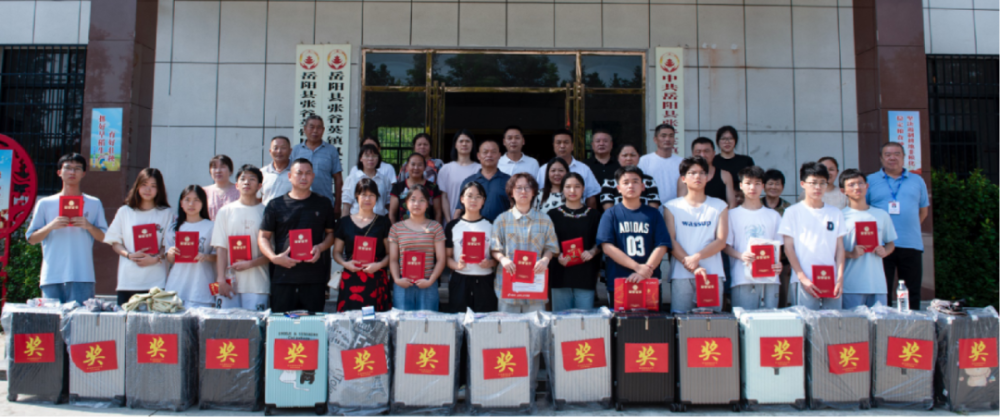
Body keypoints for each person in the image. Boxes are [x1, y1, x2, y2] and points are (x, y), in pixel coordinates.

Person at [26, 153, 108, 304]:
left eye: (77, 168)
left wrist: (88, 226)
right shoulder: (45, 203)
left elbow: (105, 237)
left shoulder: (94, 203)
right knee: (52, 318)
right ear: (59, 172)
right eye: (68, 168)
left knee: (81, 318)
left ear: (83, 173)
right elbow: (31, 238)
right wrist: (51, 226)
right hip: (52, 275)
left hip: (83, 275)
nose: (72, 172)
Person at [258, 158, 336, 313]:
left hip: (314, 277)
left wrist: (320, 247)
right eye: (299, 173)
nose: (303, 177)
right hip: (283, 276)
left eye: (308, 173)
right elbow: (263, 236)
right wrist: (274, 258)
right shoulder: (275, 205)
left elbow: (331, 234)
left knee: (313, 324)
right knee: (282, 324)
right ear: (289, 176)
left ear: (313, 176)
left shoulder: (324, 203)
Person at [866, 142, 930, 310]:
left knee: (912, 290)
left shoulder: (917, 180)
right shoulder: (870, 181)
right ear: (881, 158)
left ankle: (913, 323)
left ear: (904, 157)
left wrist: (908, 228)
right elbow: (863, 211)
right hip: (881, 244)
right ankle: (883, 322)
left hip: (910, 242)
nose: (892, 158)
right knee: (882, 290)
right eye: (887, 154)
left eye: (896, 154)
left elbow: (923, 211)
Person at [597, 166, 670, 305]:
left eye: (635, 181)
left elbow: (662, 245)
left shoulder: (654, 214)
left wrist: (644, 271)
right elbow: (607, 247)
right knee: (620, 319)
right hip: (620, 280)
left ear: (643, 187)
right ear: (618, 188)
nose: (631, 185)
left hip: (649, 279)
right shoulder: (610, 214)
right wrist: (637, 267)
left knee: (651, 319)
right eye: (626, 182)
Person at [779, 162, 847, 310]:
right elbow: (788, 248)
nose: (818, 187)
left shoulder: (835, 213)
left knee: (832, 321)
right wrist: (802, 278)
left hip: (831, 280)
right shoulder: (792, 212)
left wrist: (840, 278)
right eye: (813, 183)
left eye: (822, 183)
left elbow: (840, 248)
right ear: (803, 184)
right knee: (805, 321)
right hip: (804, 280)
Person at [665, 157, 729, 313]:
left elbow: (721, 241)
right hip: (681, 273)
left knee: (711, 321)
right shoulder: (671, 207)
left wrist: (696, 258)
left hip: (711, 274)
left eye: (701, 173)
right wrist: (692, 265)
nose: (697, 177)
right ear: (683, 178)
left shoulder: (719, 205)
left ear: (707, 177)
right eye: (692, 173)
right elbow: (671, 241)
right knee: (681, 320)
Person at [104, 168, 175, 305]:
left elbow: (168, 246)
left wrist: (155, 259)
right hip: (128, 281)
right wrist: (129, 255)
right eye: (144, 184)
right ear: (137, 186)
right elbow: (115, 242)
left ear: (159, 189)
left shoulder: (167, 213)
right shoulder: (125, 211)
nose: (148, 189)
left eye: (153, 186)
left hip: (156, 282)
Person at [490, 173, 559, 313]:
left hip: (535, 286)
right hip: (508, 286)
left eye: (527, 187)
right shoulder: (502, 220)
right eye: (518, 188)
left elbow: (551, 247)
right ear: (511, 193)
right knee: (508, 326)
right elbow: (494, 248)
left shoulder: (545, 220)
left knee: (536, 326)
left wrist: (545, 259)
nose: (523, 191)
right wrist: (503, 259)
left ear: (533, 192)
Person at [211, 164, 271, 311]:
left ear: (259, 186)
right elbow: (221, 248)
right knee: (225, 324)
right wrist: (220, 279)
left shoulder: (267, 212)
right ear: (236, 185)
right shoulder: (225, 211)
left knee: (255, 324)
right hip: (229, 283)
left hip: (257, 284)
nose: (247, 182)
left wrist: (250, 264)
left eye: (252, 179)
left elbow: (272, 252)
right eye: (243, 179)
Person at [724, 166, 783, 310]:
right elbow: (725, 245)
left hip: (770, 278)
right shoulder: (731, 215)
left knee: (772, 320)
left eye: (757, 183)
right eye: (748, 183)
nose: (752, 187)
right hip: (742, 278)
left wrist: (778, 263)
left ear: (763, 186)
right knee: (745, 320)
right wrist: (741, 255)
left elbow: (778, 245)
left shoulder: (774, 215)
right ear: (741, 185)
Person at [333, 178, 393, 312]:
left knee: (377, 321)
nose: (368, 199)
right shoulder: (344, 223)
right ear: (356, 195)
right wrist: (345, 264)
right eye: (364, 194)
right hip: (351, 277)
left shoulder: (384, 222)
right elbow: (336, 252)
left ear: (377, 197)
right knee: (348, 319)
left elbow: (391, 253)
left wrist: (379, 265)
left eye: (372, 195)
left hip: (376, 277)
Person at [841, 169, 897, 309]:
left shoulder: (881, 215)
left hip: (877, 285)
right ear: (843, 191)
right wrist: (850, 254)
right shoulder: (839, 216)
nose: (857, 187)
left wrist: (885, 251)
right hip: (851, 286)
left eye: (860, 183)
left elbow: (890, 243)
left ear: (867, 186)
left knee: (879, 322)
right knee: (852, 323)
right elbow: (832, 250)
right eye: (851, 184)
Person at [548, 173, 602, 310]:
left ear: (583, 189)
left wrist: (592, 252)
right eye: (568, 187)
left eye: (577, 186)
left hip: (585, 272)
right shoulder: (552, 215)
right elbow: (547, 242)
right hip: (560, 272)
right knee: (561, 318)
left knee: (584, 318)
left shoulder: (594, 215)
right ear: (562, 189)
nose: (572, 190)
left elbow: (601, 242)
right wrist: (556, 254)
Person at [389, 184, 446, 310]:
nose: (417, 204)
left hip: (428, 283)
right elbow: (393, 259)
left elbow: (441, 259)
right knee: (402, 321)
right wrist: (397, 279)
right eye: (413, 199)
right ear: (406, 203)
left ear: (428, 204)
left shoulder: (435, 227)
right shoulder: (396, 228)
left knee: (428, 321)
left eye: (422, 200)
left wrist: (430, 280)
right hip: (403, 283)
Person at [445, 181, 499, 312]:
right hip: (460, 280)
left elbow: (498, 256)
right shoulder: (452, 226)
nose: (473, 200)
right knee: (459, 320)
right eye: (469, 196)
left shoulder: (492, 225)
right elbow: (447, 257)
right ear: (462, 199)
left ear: (483, 201)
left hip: (485, 280)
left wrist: (490, 263)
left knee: (485, 321)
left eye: (478, 196)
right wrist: (457, 265)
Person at [164, 185, 217, 308]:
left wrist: (205, 256)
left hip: (201, 288)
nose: (191, 204)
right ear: (181, 203)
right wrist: (171, 253)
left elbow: (219, 255)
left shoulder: (212, 226)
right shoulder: (173, 228)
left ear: (203, 203)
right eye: (187, 200)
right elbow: (170, 259)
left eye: (196, 200)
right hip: (177, 286)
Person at [291, 114, 344, 215]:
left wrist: (337, 205)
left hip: (324, 203)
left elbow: (338, 178)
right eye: (311, 127)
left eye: (319, 128)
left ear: (323, 130)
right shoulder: (296, 150)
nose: (315, 131)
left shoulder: (331, 150)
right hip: (299, 203)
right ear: (305, 129)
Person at [535, 130, 601, 208]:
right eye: (558, 143)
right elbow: (539, 193)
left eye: (566, 142)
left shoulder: (583, 169)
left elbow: (591, 197)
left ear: (572, 146)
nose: (562, 146)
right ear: (553, 146)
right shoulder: (544, 169)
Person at [456, 139, 511, 222]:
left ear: (499, 155)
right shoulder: (468, 181)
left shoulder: (509, 181)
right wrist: (453, 226)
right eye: (485, 152)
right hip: (474, 228)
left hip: (502, 227)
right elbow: (460, 209)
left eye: (493, 152)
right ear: (478, 156)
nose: (489, 155)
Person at [678, 137, 736, 208]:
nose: (702, 155)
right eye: (698, 152)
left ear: (714, 153)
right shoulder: (685, 178)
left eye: (706, 151)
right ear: (693, 154)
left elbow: (732, 204)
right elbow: (681, 204)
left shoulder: (725, 175)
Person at [599, 144, 660, 210]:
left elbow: (653, 206)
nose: (629, 158)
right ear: (618, 158)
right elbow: (608, 207)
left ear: (639, 157)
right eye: (625, 155)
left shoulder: (648, 180)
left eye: (632, 155)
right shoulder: (609, 180)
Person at [438, 130, 481, 222]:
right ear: (455, 145)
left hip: (474, 221)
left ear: (472, 144)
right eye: (461, 141)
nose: (464, 144)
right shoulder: (446, 169)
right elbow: (444, 197)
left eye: (468, 141)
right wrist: (449, 221)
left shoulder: (479, 169)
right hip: (450, 220)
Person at [390, 153, 444, 223]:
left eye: (420, 165)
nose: (416, 168)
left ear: (424, 167)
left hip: (427, 228)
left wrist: (436, 229)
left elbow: (438, 213)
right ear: (407, 167)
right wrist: (395, 229)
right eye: (413, 164)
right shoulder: (398, 187)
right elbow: (392, 214)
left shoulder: (433, 187)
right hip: (403, 229)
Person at [341, 144, 392, 216]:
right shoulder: (352, 179)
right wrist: (343, 222)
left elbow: (389, 204)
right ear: (360, 158)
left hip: (379, 219)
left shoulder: (385, 180)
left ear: (378, 158)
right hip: (357, 220)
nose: (370, 159)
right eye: (367, 156)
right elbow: (346, 205)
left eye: (374, 156)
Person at [639, 123, 684, 205]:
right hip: (651, 207)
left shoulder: (682, 162)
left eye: (671, 136)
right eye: (663, 136)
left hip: (675, 208)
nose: (667, 139)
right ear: (655, 139)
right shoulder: (644, 160)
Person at [712, 126, 756, 195]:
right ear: (718, 141)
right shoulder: (712, 161)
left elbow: (753, 182)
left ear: (735, 140)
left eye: (730, 138)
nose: (727, 142)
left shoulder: (746, 161)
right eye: (723, 139)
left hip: (741, 198)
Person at [584, 129, 620, 197]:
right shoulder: (584, 166)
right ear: (592, 145)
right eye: (598, 141)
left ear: (611, 144)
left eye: (605, 141)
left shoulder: (619, 164)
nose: (601, 144)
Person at [203, 154, 239, 220]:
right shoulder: (203, 192)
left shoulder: (239, 191)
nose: (218, 171)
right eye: (214, 167)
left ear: (231, 170)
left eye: (222, 167)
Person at [261, 136, 292, 206]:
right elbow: (257, 198)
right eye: (275, 148)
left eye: (283, 148)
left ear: (290, 151)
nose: (279, 151)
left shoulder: (297, 173)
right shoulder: (263, 173)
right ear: (270, 151)